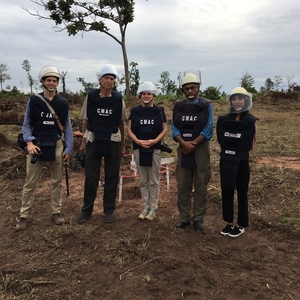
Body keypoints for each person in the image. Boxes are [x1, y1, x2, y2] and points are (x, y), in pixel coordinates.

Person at [16, 65, 74, 231]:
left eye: (54, 80)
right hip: (37, 145)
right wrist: (29, 142)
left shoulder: (62, 103)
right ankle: (24, 215)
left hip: (56, 144)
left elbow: (67, 127)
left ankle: (56, 212)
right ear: (43, 82)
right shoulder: (34, 101)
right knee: (30, 183)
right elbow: (26, 124)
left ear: (57, 83)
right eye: (48, 80)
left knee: (57, 181)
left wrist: (68, 149)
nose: (51, 83)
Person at [76, 64, 127, 224]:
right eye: (106, 78)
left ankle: (109, 210)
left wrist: (122, 145)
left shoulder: (118, 99)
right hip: (93, 138)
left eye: (112, 79)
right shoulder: (91, 96)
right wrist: (83, 141)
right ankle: (87, 210)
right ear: (100, 79)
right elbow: (86, 120)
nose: (109, 81)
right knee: (91, 176)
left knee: (112, 176)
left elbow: (121, 123)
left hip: (113, 139)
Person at [172, 71, 214, 231]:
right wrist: (183, 143)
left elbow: (209, 128)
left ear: (198, 87)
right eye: (187, 88)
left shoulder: (206, 105)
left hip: (200, 149)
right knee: (183, 184)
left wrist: (193, 144)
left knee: (201, 183)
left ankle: (198, 218)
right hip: (183, 148)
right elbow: (174, 128)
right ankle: (184, 217)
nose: (190, 91)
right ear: (183, 89)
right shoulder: (178, 106)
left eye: (193, 88)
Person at [216, 87, 257, 237]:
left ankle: (241, 224)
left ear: (246, 100)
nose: (237, 101)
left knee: (241, 192)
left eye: (240, 98)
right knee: (226, 190)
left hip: (242, 162)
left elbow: (251, 144)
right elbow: (221, 139)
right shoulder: (223, 119)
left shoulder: (251, 121)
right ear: (230, 101)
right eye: (234, 98)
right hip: (226, 160)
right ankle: (228, 222)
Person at [127, 81, 167, 221]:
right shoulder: (134, 111)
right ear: (140, 95)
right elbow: (130, 130)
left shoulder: (160, 111)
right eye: (143, 93)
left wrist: (155, 141)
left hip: (154, 149)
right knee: (143, 180)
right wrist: (137, 141)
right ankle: (145, 207)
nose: (146, 96)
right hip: (139, 149)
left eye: (148, 93)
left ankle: (153, 208)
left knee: (153, 181)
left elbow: (164, 129)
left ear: (153, 95)